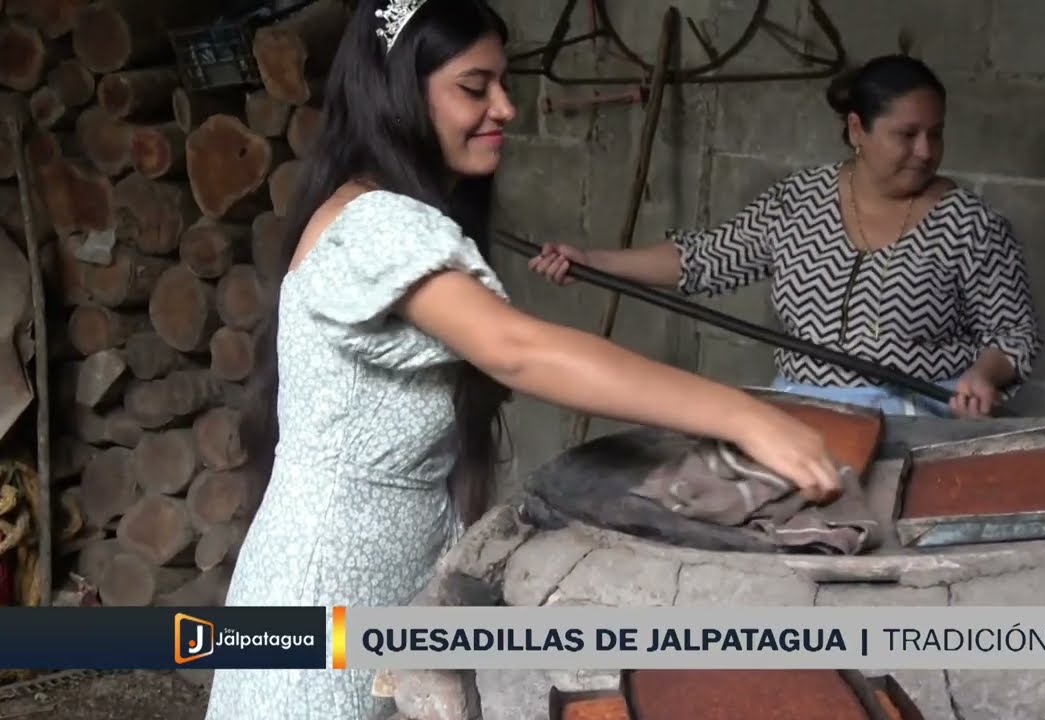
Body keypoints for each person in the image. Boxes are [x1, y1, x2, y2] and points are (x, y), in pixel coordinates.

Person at [203, 1, 845, 718]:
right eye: (474, 88)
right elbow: (518, 351)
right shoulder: (375, 221)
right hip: (325, 584)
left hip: (383, 570)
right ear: (398, 94)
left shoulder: (395, 211)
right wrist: (745, 416)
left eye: (503, 84)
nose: (505, 107)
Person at [530, 54, 1043, 418]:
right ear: (858, 129)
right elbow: (704, 259)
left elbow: (1014, 336)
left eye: (937, 132)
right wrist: (594, 261)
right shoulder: (799, 201)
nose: (926, 151)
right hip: (804, 416)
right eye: (907, 134)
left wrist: (985, 376)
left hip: (918, 419)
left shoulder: (971, 224)